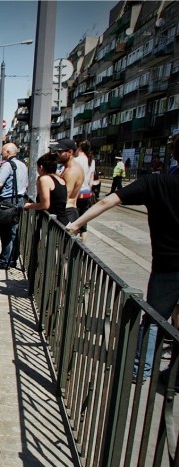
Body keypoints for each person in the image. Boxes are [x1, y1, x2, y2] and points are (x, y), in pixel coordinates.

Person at [67, 134, 179, 379]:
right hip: (168, 266)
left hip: (168, 266)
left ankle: (141, 370)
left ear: (174, 154)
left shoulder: (156, 183)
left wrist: (76, 224)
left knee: (154, 319)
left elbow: (108, 201)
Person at [0, 143, 29, 269]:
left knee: (5, 232)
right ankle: (13, 258)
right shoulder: (23, 165)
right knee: (14, 231)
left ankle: (5, 260)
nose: (1, 154)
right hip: (19, 200)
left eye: (3, 151)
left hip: (7, 201)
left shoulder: (7, 165)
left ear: (8, 152)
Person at [52, 138, 85, 227]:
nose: (57, 154)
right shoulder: (69, 168)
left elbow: (64, 196)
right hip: (68, 211)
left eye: (60, 152)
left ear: (70, 152)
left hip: (67, 212)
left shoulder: (71, 172)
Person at [73, 140, 96, 241]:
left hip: (77, 194)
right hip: (87, 193)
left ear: (78, 148)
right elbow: (91, 180)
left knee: (74, 221)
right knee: (83, 223)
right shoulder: (92, 161)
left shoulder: (77, 160)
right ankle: (82, 246)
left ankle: (70, 246)